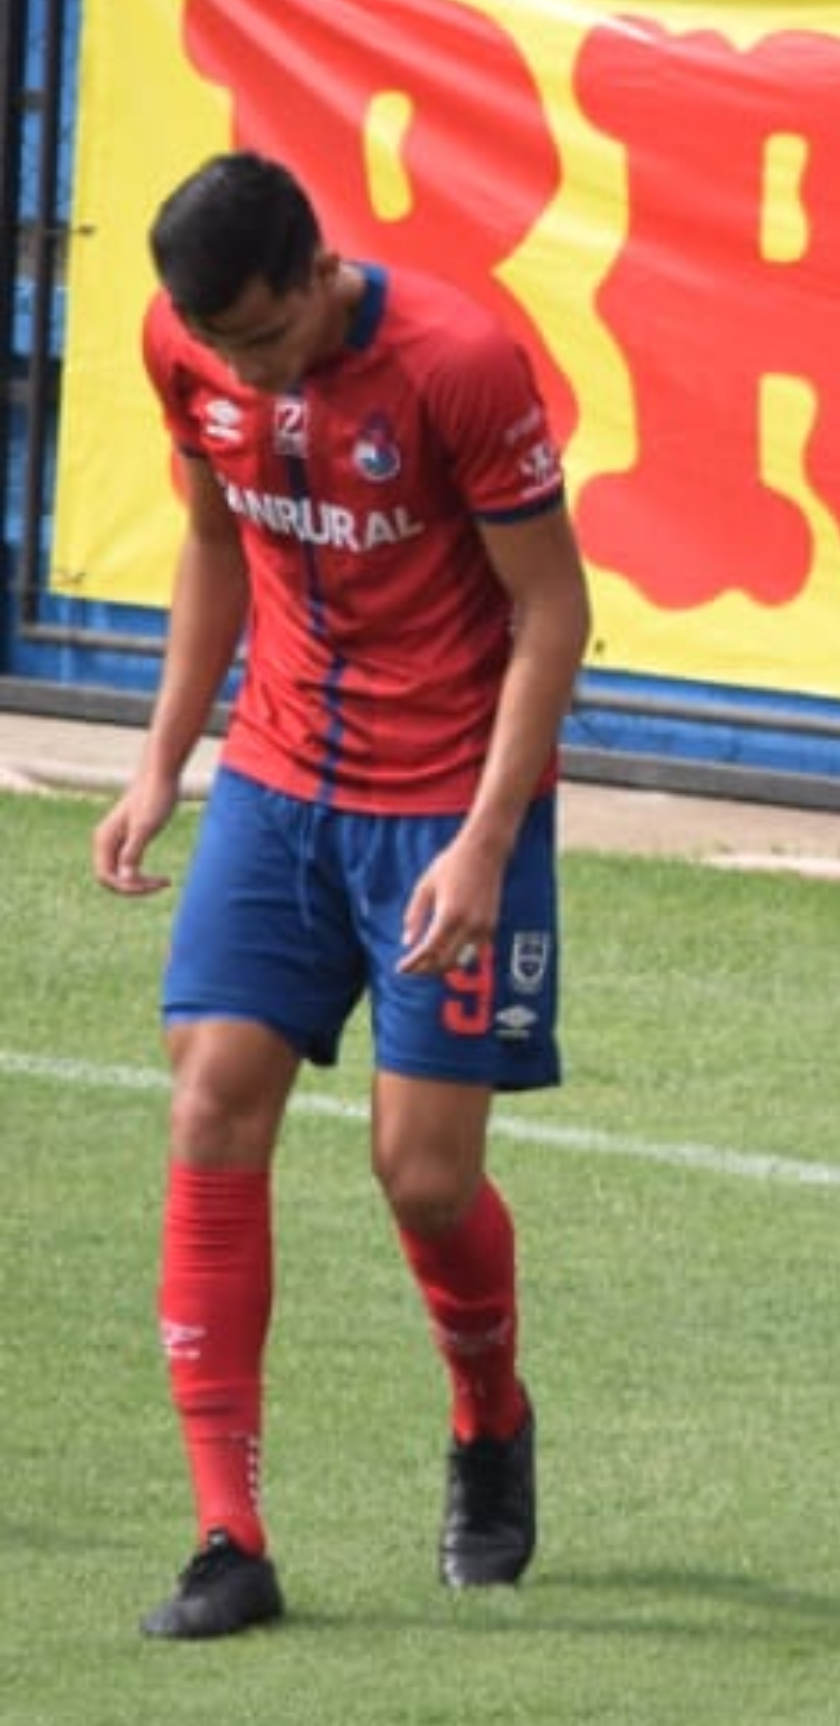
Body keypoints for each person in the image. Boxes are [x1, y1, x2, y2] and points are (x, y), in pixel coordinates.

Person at [92, 150, 592, 1639]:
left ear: (319, 271)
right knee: (209, 1102)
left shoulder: (460, 361)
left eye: (265, 335)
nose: (246, 368)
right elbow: (210, 543)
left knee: (423, 1177)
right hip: (276, 780)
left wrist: (492, 836)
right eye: (223, 348)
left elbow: (554, 608)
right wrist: (160, 762)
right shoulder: (184, 341)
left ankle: (489, 1414)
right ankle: (228, 1536)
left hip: (446, 800)